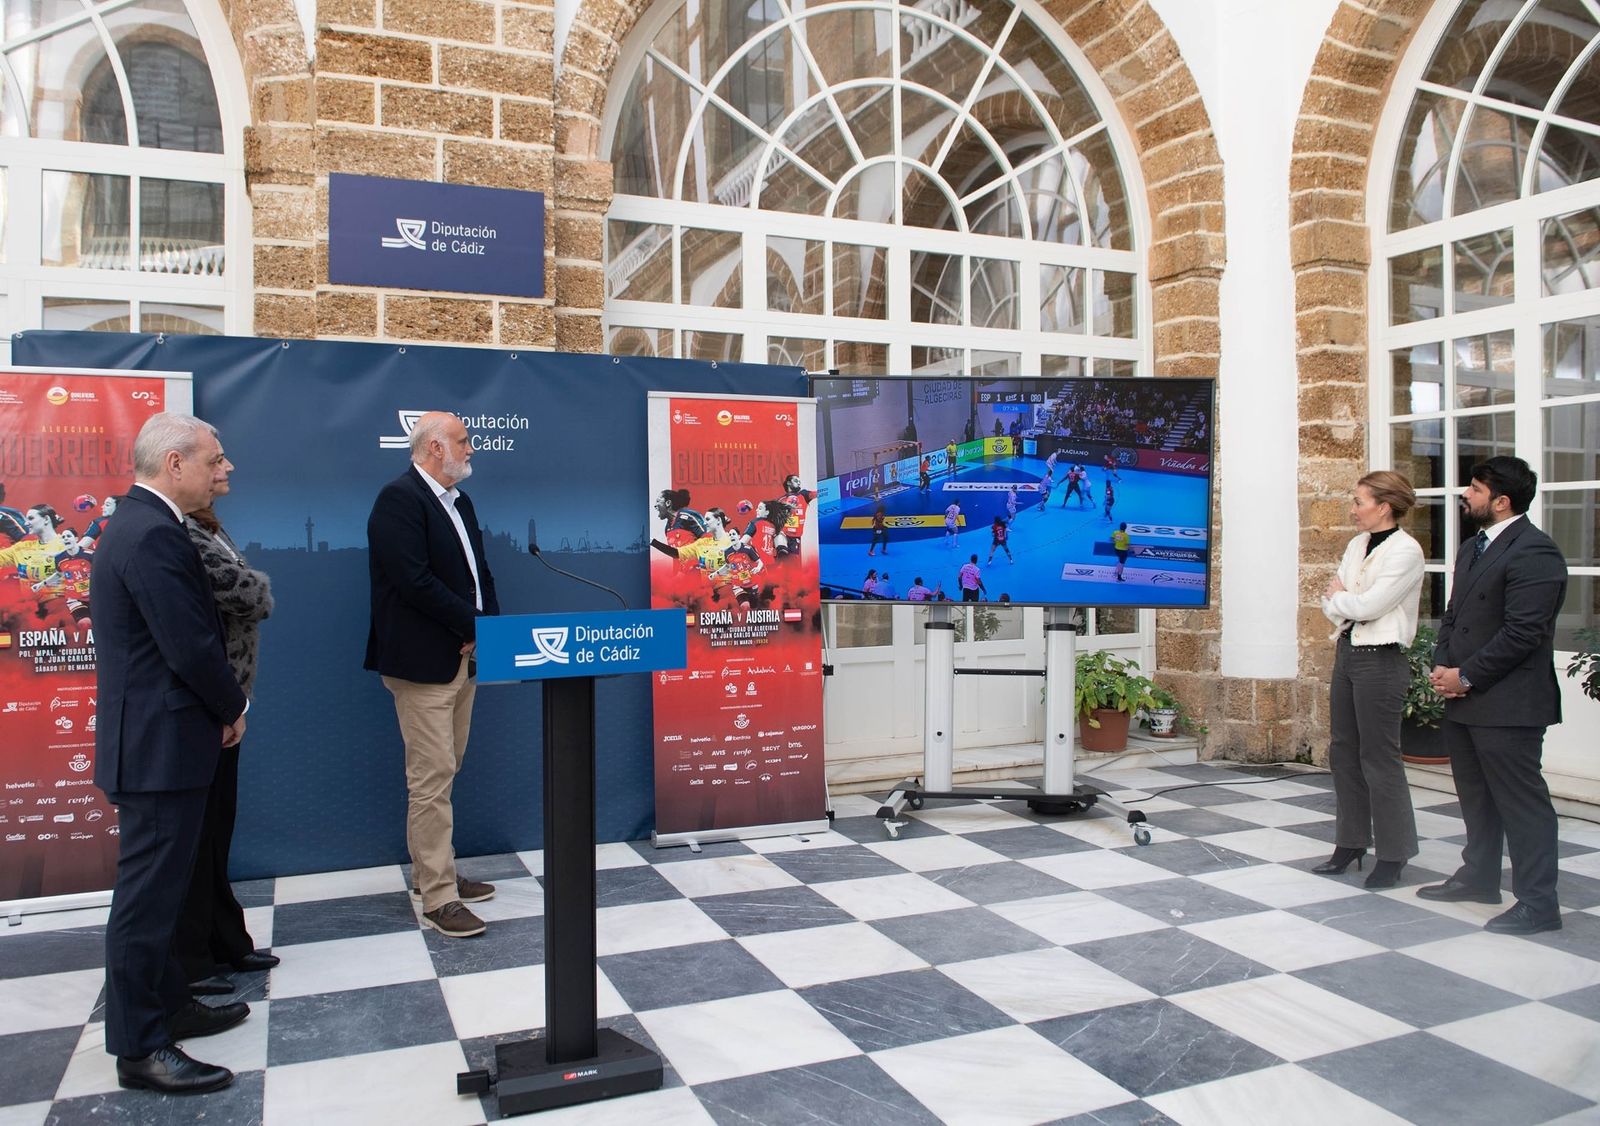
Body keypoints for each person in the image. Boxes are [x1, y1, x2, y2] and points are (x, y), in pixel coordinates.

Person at [92, 413, 248, 1095]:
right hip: (158, 747)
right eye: (215, 458)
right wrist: (233, 705)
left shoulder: (143, 524)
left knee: (165, 891)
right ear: (175, 464)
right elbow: (188, 644)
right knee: (146, 901)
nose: (227, 469)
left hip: (163, 741)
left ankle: (168, 1004)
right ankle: (140, 1047)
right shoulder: (152, 533)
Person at [1419, 456, 1569, 934]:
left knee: (1522, 805)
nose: (1466, 494)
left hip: (1509, 703)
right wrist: (1442, 665)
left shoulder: (1536, 553)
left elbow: (1524, 633)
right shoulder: (1472, 548)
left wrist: (1467, 676)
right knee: (1476, 797)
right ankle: (1480, 876)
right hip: (1465, 697)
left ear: (1501, 502)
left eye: (1476, 489)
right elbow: (1453, 614)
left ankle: (1539, 903)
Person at [366, 412, 500, 940]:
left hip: (463, 656)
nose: (471, 450)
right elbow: (412, 581)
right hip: (422, 662)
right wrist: (468, 625)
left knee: (446, 770)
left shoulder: (460, 502)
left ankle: (433, 872)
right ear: (434, 448)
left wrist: (486, 631)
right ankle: (438, 898)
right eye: (463, 442)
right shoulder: (398, 500)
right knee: (430, 779)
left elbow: (479, 575)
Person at [175, 451, 280, 994]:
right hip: (208, 706)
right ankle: (195, 960)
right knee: (197, 838)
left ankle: (224, 942)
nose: (229, 468)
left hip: (230, 700)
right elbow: (248, 593)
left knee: (218, 832)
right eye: (217, 461)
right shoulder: (176, 533)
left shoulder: (208, 527)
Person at [1313, 471, 1424, 890]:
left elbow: (1371, 604)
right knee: (1344, 752)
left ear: (1384, 506)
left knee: (1380, 757)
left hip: (1382, 659)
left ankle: (1394, 853)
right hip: (1347, 652)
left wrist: (1343, 600)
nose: (1353, 509)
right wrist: (1346, 603)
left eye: (1359, 501)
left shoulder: (1406, 551)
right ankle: (1351, 843)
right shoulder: (1356, 544)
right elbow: (1334, 605)